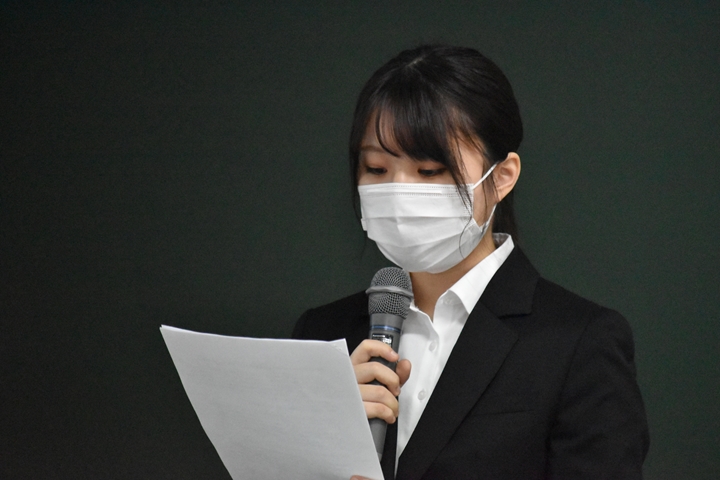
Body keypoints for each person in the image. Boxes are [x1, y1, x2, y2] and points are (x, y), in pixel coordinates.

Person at [292, 45, 649, 480]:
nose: (400, 192)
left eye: (430, 171)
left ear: (502, 177)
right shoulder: (322, 335)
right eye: (377, 169)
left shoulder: (578, 342)